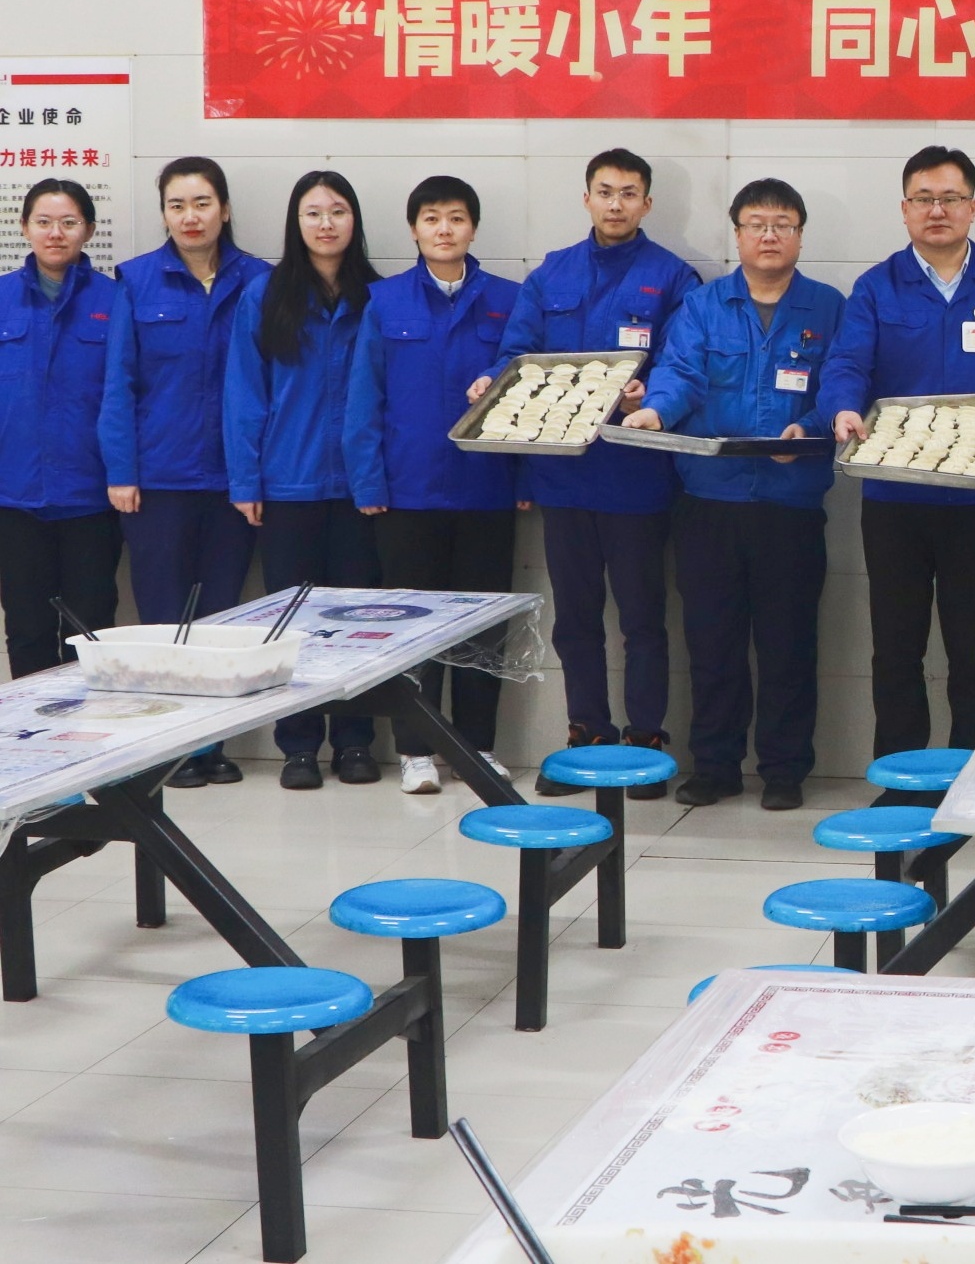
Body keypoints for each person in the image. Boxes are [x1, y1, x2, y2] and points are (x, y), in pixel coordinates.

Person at [470, 148, 699, 798]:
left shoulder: (671, 277)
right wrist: (493, 380)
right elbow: (518, 351)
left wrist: (650, 395)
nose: (615, 203)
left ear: (646, 203)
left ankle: (647, 742)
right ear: (587, 198)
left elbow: (684, 361)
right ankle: (586, 735)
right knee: (575, 618)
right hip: (564, 478)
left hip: (637, 477)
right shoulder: (553, 273)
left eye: (628, 193)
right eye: (605, 191)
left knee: (643, 619)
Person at [818, 146, 975, 760]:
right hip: (893, 497)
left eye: (950, 198)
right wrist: (841, 408)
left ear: (973, 207)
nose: (937, 210)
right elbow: (846, 363)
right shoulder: (876, 286)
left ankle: (973, 773)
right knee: (897, 648)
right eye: (924, 199)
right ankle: (901, 779)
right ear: (904, 209)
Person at [625, 178, 843, 811]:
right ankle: (715, 766)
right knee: (712, 643)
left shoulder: (829, 307)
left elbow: (843, 384)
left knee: (788, 645)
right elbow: (680, 374)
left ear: (800, 235)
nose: (769, 236)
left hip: (791, 503)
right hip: (709, 502)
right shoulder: (702, 305)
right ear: (738, 233)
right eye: (756, 224)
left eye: (782, 225)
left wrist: (814, 427)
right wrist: (656, 412)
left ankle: (784, 770)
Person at [345, 176, 525, 794]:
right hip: (408, 491)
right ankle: (415, 750)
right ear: (414, 229)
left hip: (486, 488)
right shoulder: (385, 301)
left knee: (483, 628)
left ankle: (479, 747)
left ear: (473, 228)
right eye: (431, 218)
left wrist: (524, 477)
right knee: (412, 626)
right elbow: (364, 399)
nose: (444, 229)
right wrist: (369, 482)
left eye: (455, 218)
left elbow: (529, 389)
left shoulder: (507, 299)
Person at [100, 157, 269, 786]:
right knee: (163, 618)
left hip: (233, 479)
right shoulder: (137, 280)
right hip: (159, 479)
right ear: (164, 213)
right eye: (177, 205)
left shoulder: (259, 280)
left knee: (222, 618)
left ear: (224, 209)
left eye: (201, 203)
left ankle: (212, 745)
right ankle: (171, 748)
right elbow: (119, 383)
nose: (190, 217)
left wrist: (255, 474)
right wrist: (122, 469)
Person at [224, 171, 383, 790]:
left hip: (359, 490)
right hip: (287, 484)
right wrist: (246, 481)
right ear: (296, 222)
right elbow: (244, 394)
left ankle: (355, 741)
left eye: (337, 211)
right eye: (313, 212)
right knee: (291, 625)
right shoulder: (264, 295)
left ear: (355, 220)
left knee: (356, 621)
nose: (325, 223)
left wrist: (376, 482)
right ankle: (297, 746)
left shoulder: (377, 296)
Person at [0, 180, 122, 678]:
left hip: (91, 498)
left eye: (69, 222)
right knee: (26, 629)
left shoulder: (115, 300)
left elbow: (127, 396)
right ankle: (32, 728)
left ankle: (92, 727)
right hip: (14, 500)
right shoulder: (2, 297)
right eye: (44, 222)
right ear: (24, 227)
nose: (56, 233)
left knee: (91, 631)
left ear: (88, 230)